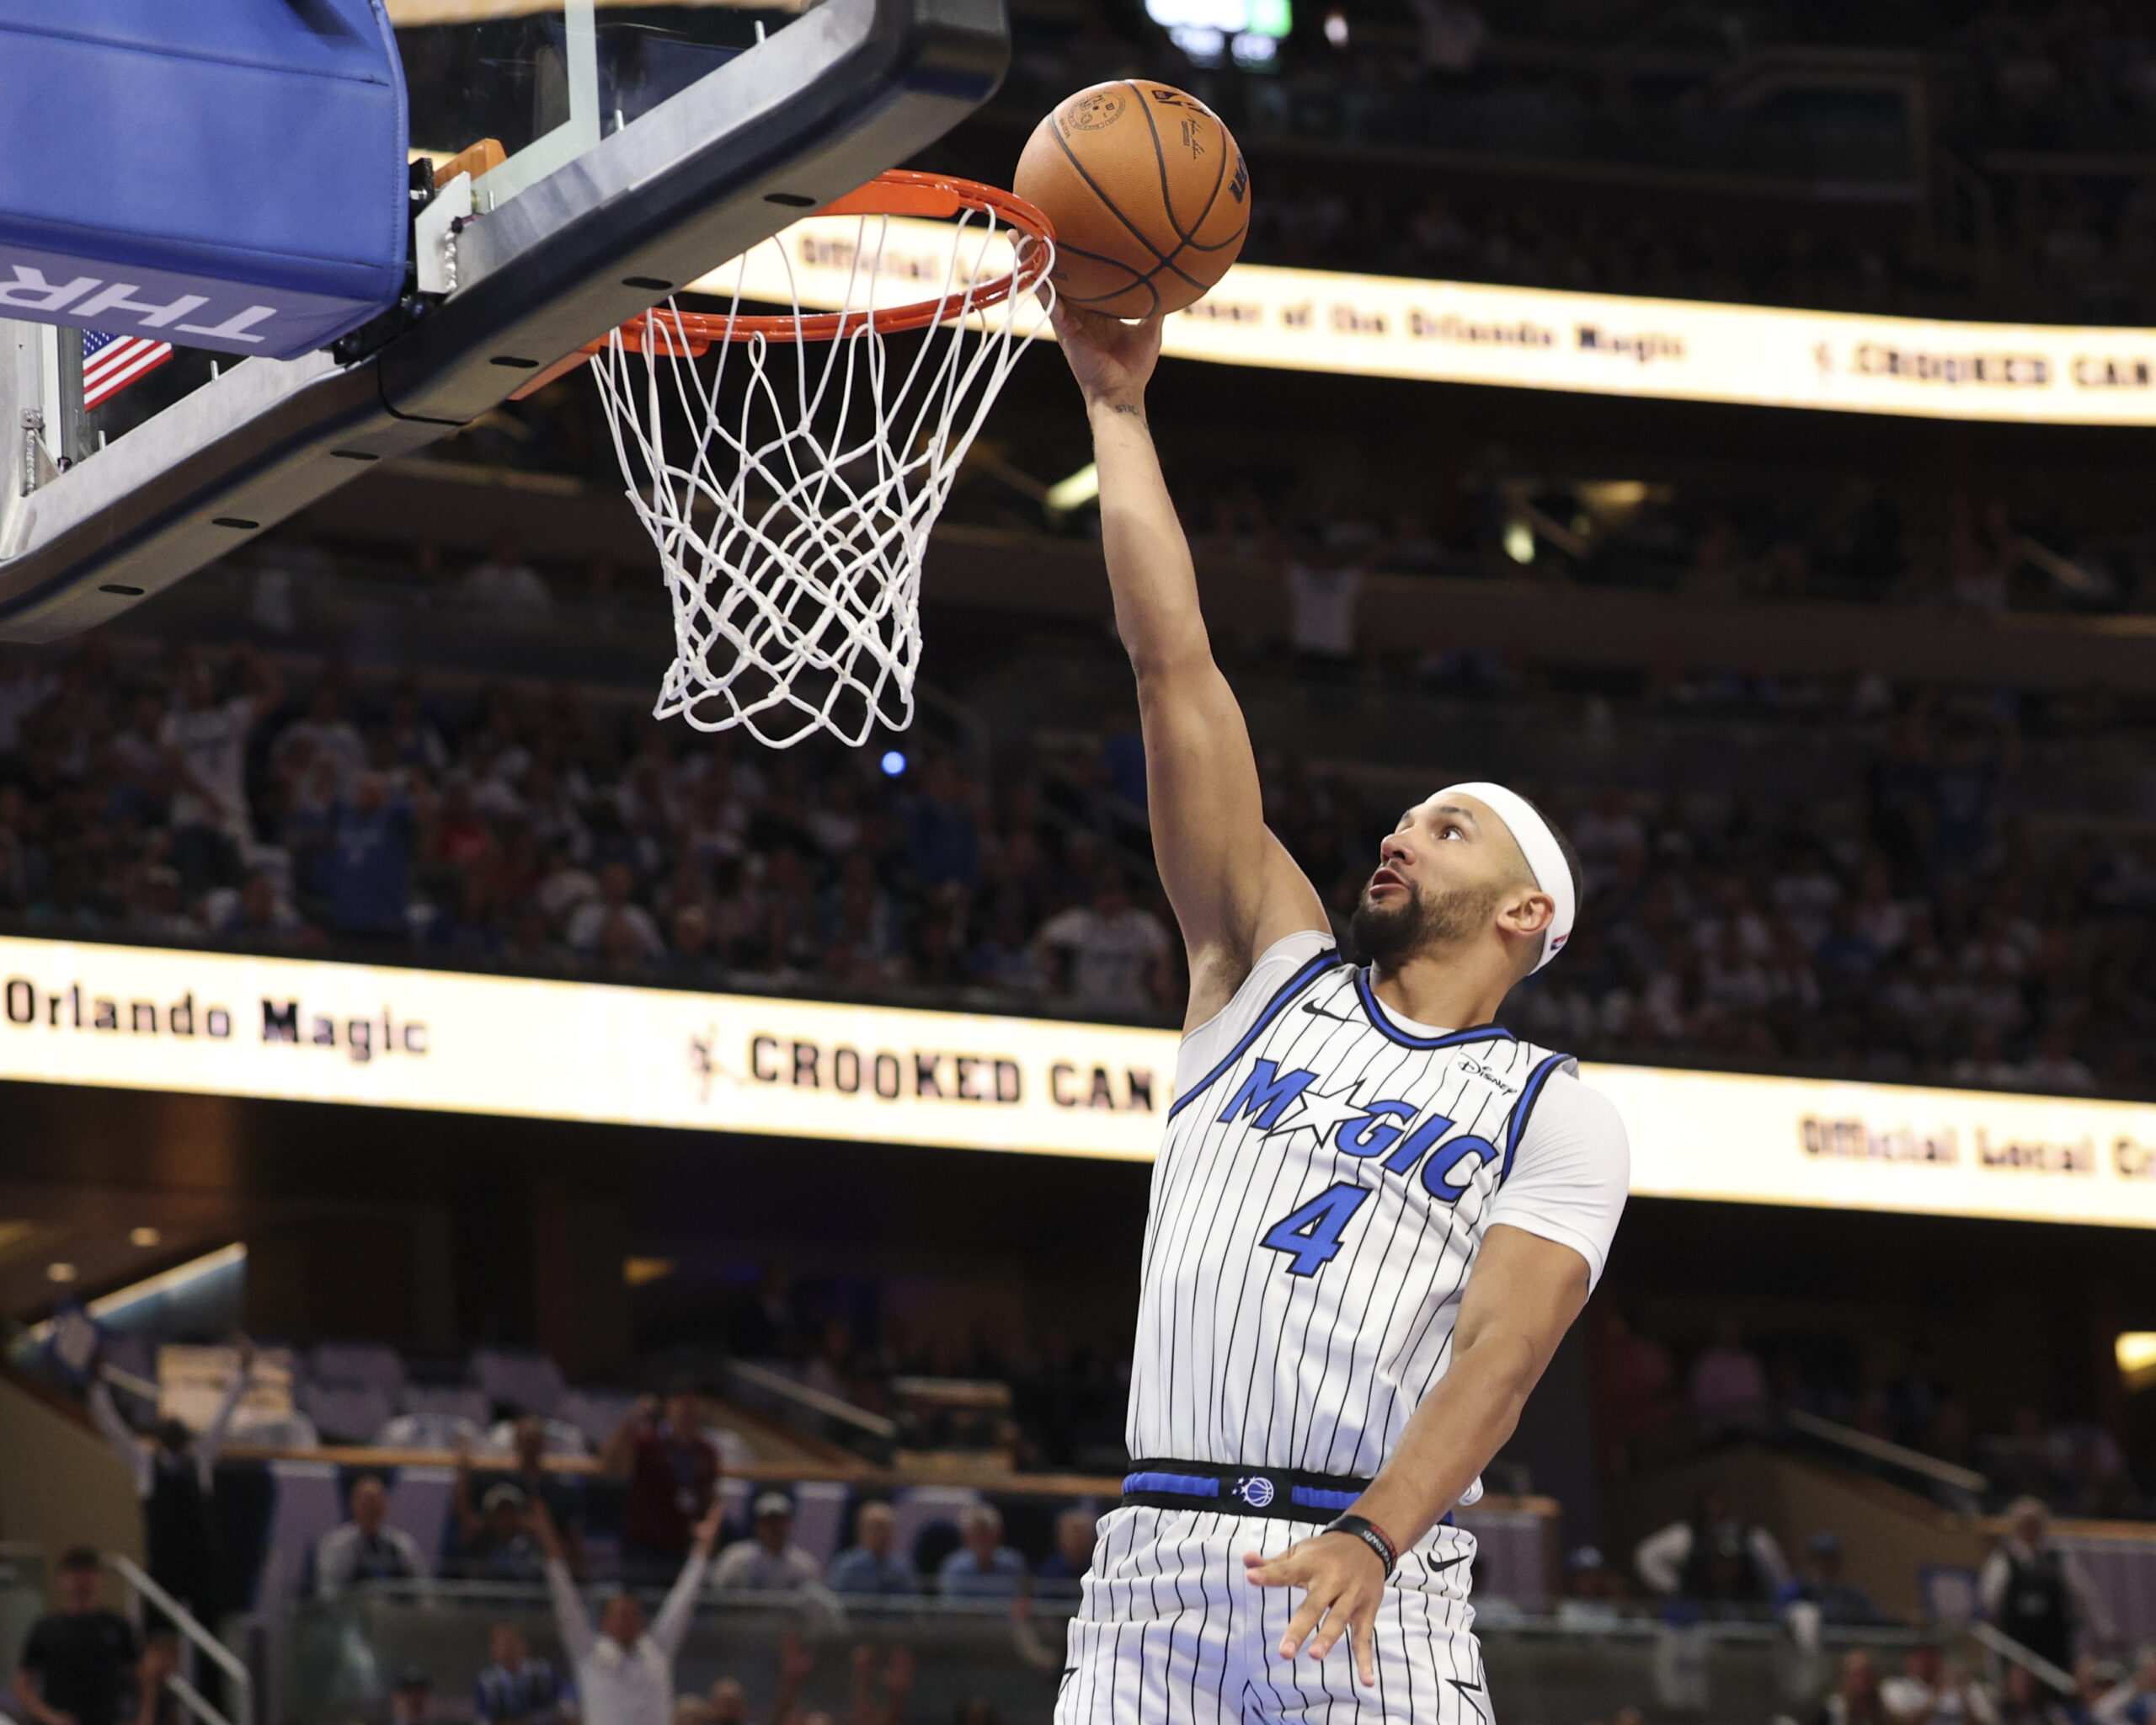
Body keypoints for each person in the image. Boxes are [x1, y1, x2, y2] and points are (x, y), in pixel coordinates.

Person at [1043, 301, 1629, 1717]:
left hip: (1372, 1563)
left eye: (1451, 828)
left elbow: (1501, 1357)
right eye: (1408, 815)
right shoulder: (1263, 965)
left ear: (1525, 913)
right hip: (1156, 1566)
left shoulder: (1555, 1109)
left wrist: (1373, 1531)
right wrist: (1118, 413)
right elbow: (1173, 663)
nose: (1404, 832)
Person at [88, 1338, 251, 1628]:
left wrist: (243, 1374)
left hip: (201, 1565)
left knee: (210, 1633)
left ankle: (210, 1674)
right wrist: (97, 1384)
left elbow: (223, 1419)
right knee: (159, 1635)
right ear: (160, 1438)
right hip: (164, 1565)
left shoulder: (199, 1458)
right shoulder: (145, 1461)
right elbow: (112, 1428)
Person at [535, 1497, 720, 1725]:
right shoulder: (588, 1653)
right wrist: (546, 1536)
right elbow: (564, 1599)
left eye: (631, 1615)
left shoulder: (658, 1651)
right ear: (605, 1622)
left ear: (641, 1620)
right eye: (618, 1615)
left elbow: (684, 1600)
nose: (625, 1621)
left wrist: (704, 1547)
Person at [14, 1547, 177, 1725]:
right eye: (75, 1575)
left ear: (99, 1579)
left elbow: (142, 1676)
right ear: (63, 1580)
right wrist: (49, 1716)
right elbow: (23, 1683)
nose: (82, 1582)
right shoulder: (46, 1629)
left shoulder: (116, 1625)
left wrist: (144, 1718)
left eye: (88, 1574)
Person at [601, 1387, 720, 1583]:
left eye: (693, 1407)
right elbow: (609, 1465)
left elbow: (711, 1496)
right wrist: (632, 1419)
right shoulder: (647, 1442)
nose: (687, 1412)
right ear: (669, 1407)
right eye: (682, 1405)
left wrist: (711, 1525)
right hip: (644, 1549)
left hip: (683, 1548)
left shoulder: (706, 1451)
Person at [1982, 1498, 2114, 1674]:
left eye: (2034, 1525)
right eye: (2024, 1525)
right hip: (2017, 1641)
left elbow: (2085, 1595)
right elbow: (1991, 1602)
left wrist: (2103, 1630)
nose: (2029, 1530)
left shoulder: (2059, 1558)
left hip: (2053, 1640)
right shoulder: (2003, 1560)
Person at [1635, 1487, 1790, 1606]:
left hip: (1750, 1610)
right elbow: (1645, 1556)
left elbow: (1779, 1581)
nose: (1725, 1570)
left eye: (1730, 1563)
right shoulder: (1687, 1537)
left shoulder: (1754, 1539)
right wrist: (1678, 1590)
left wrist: (1776, 1606)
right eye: (1719, 1562)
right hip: (1704, 1612)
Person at [314, 1474, 430, 1599]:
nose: (371, 1509)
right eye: (366, 1503)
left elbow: (423, 1590)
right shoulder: (336, 1545)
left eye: (376, 1503)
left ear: (385, 1506)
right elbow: (328, 1594)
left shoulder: (402, 1545)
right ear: (353, 1505)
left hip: (396, 1615)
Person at [708, 1493, 821, 1592]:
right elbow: (715, 1592)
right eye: (768, 1522)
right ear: (757, 1525)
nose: (774, 1528)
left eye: (779, 1522)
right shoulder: (736, 1558)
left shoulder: (804, 1565)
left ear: (788, 1524)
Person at [1775, 1530, 1886, 1626]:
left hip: (1845, 1647)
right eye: (1821, 1558)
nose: (1826, 1564)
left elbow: (1875, 1619)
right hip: (1800, 1648)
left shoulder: (1851, 1593)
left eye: (1831, 1558)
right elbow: (1777, 1616)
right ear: (1811, 1560)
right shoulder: (1797, 1589)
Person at [473, 1624, 572, 1725]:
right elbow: (483, 1718)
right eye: (502, 1643)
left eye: (512, 1642)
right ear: (494, 1649)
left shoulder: (543, 1673)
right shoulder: (487, 1682)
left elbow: (566, 1705)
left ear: (524, 1645)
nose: (508, 1649)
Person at [825, 1503, 918, 1596]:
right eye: (876, 1529)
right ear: (861, 1532)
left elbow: (912, 1603)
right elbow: (835, 1602)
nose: (882, 1536)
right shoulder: (847, 1567)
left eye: (885, 1529)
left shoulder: (902, 1568)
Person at [937, 1504, 1026, 1600]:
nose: (983, 1542)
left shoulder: (1014, 1564)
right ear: (966, 1539)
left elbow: (1021, 1605)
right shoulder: (954, 1568)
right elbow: (952, 1610)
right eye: (977, 1536)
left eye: (987, 1535)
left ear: (998, 1536)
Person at [1033, 1508, 1099, 1599]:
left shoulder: (1101, 1569)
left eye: (1083, 1537)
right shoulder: (1050, 1572)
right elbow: (1044, 1608)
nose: (1078, 1543)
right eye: (1074, 1536)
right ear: (1060, 1539)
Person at [1817, 1651, 1888, 1725]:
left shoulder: (1886, 1713)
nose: (1861, 1682)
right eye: (1855, 1676)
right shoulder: (1832, 1711)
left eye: (1866, 1676)